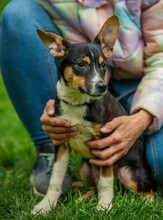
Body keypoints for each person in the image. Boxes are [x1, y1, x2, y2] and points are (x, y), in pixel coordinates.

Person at [0, 0, 163, 196]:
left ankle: (126, 162)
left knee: (159, 162)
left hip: (144, 83)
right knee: (17, 11)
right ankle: (48, 145)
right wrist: (62, 106)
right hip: (83, 84)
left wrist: (144, 117)